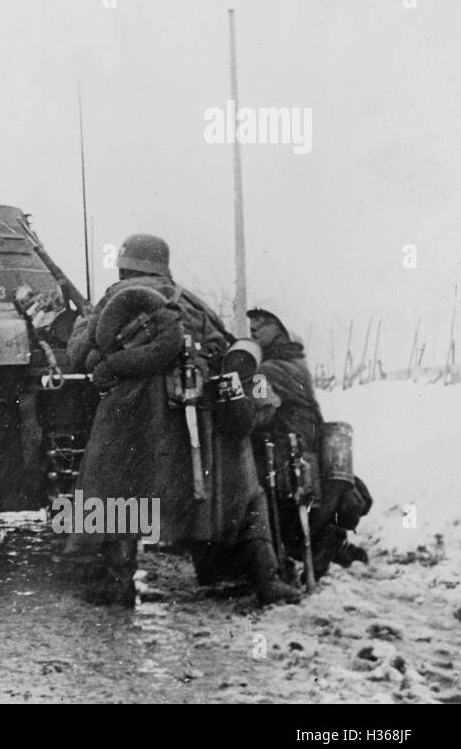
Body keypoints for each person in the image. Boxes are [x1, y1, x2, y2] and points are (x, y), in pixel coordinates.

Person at [66, 234, 298, 606]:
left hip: (131, 415)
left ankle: (118, 584)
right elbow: (225, 349)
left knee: (118, 490)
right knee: (242, 489)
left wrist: (83, 330)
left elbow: (79, 354)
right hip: (196, 414)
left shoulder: (115, 297)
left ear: (125, 265)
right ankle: (265, 580)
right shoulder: (190, 301)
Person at [247, 307, 371, 577]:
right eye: (252, 324)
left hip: (285, 449)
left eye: (263, 322)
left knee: (267, 508)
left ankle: (290, 561)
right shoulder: (295, 361)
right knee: (298, 510)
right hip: (306, 447)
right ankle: (330, 545)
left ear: (282, 329)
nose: (254, 328)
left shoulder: (266, 369)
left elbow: (262, 410)